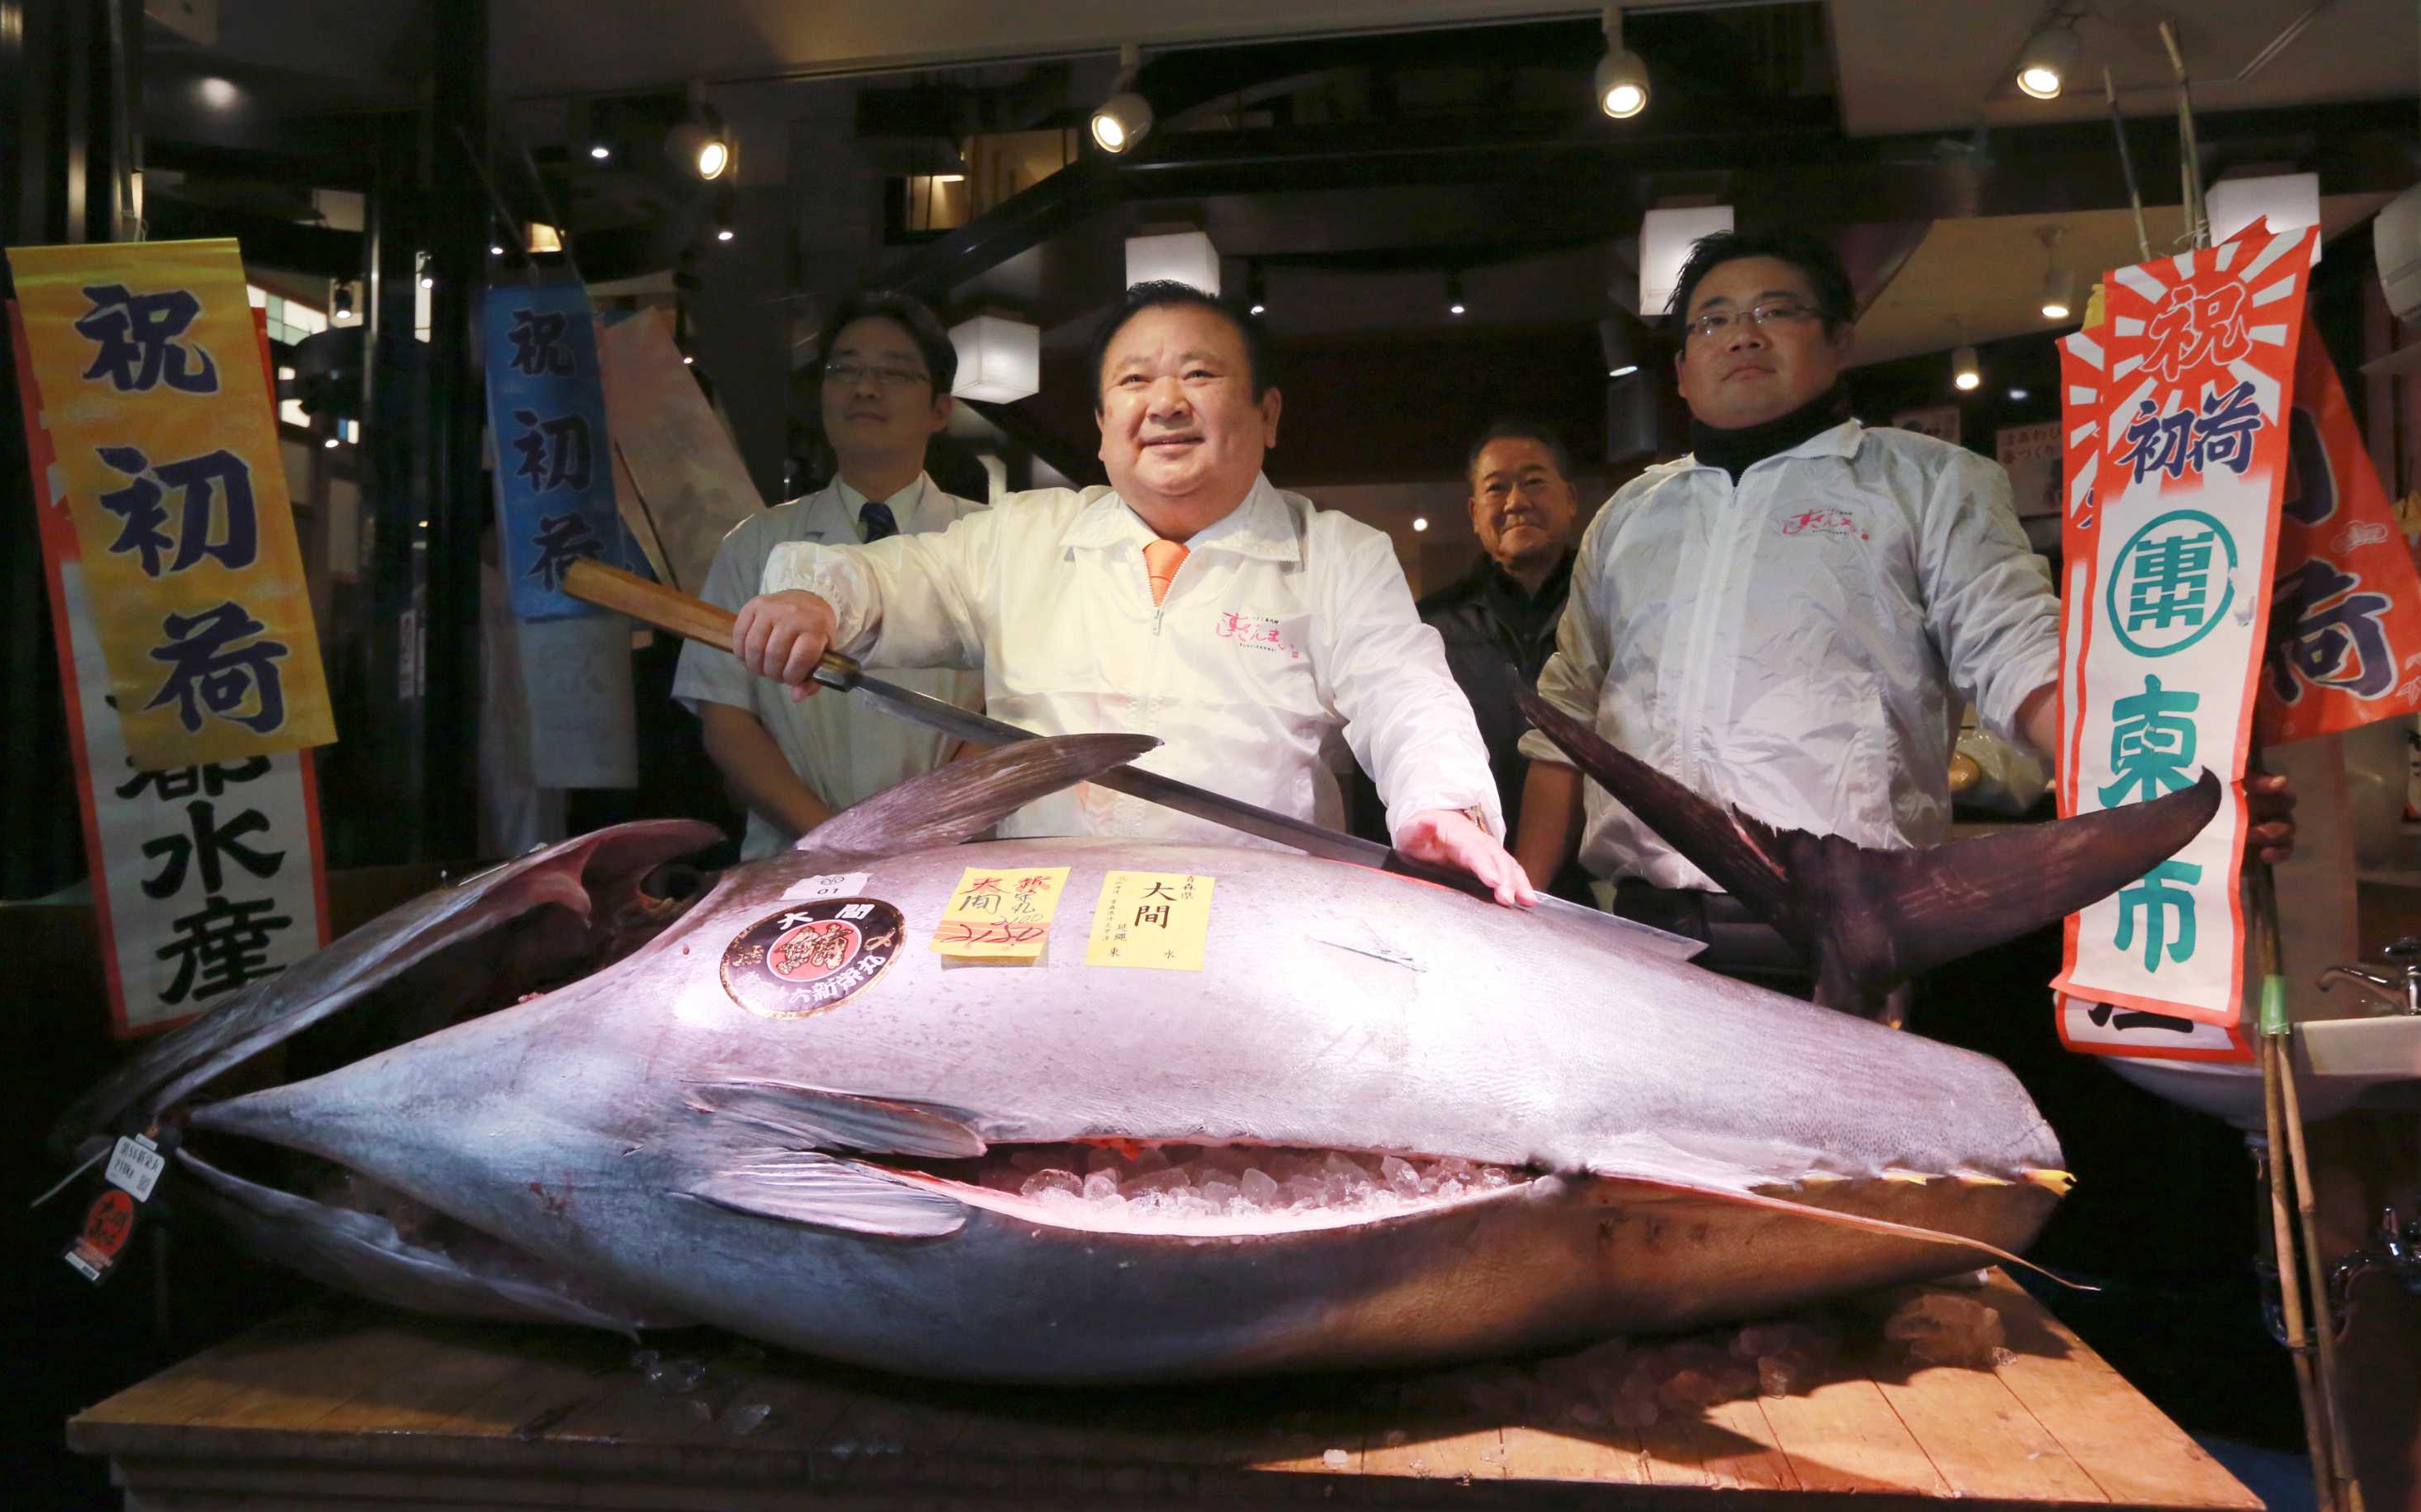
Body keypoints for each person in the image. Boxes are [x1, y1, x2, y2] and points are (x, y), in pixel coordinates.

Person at [1513, 228, 2292, 980]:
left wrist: (2173, 798)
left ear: (1842, 340)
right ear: (1682, 369)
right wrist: (1524, 900)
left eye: (1776, 311)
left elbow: (2017, 655)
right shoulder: (1629, 516)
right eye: (1713, 320)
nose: (1742, 336)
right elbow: (1564, 722)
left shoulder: (1927, 481)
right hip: (1642, 935)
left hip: (1841, 936)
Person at [730, 280, 1532, 903]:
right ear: (1104, 426)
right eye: (1136, 380)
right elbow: (899, 577)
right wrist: (818, 598)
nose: (1166, 403)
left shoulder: (1336, 554)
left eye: (1200, 374)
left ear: (1268, 414)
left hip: (1255, 922)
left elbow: (1404, 691)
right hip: (1038, 920)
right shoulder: (1024, 535)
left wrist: (1441, 808)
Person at [671, 292, 985, 859]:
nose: (866, 387)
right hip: (792, 856)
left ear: (941, 409)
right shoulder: (755, 543)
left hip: (948, 855)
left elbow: (1008, 712)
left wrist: (924, 832)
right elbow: (725, 718)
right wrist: (833, 839)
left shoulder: (989, 537)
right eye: (846, 369)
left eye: (894, 372)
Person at [1416, 419, 1588, 897]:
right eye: (1497, 488)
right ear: (1474, 512)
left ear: (1570, 497)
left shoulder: (1611, 613)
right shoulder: (1431, 625)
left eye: (1534, 481)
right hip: (1460, 878)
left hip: (1598, 886)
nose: (1516, 502)